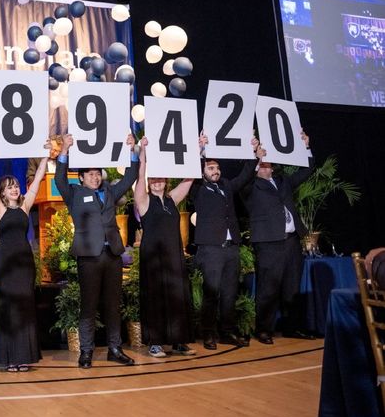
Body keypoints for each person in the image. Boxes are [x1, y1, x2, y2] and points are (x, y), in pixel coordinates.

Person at [55, 132, 138, 367]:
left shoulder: (110, 191)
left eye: (97, 172)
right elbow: (60, 180)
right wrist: (64, 151)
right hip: (89, 257)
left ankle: (114, 348)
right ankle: (86, 351)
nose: (95, 176)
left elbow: (130, 176)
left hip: (112, 254)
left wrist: (132, 150)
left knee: (113, 304)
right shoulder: (74, 193)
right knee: (89, 305)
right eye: (90, 173)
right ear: (81, 177)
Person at [0, 136, 50, 371]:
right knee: (9, 307)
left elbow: (39, 179)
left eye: (16, 185)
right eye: (9, 186)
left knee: (25, 306)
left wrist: (45, 156)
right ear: (2, 193)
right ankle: (10, 357)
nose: (14, 188)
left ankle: (24, 356)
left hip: (24, 263)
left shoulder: (24, 206)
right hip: (6, 264)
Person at [190, 134, 264, 350]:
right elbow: (190, 172)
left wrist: (253, 155)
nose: (215, 171)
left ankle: (226, 332)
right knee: (211, 293)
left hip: (231, 249)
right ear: (203, 171)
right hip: (211, 250)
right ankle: (208, 334)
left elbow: (245, 176)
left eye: (217, 167)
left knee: (230, 293)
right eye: (210, 168)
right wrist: (199, 150)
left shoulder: (227, 186)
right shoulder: (197, 189)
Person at [242, 130, 315, 344]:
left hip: (291, 241)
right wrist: (254, 155)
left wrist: (305, 146)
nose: (268, 165)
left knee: (292, 286)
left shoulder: (283, 181)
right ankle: (264, 329)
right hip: (268, 243)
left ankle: (293, 327)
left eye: (268, 162)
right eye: (263, 163)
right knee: (268, 287)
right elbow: (243, 179)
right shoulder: (249, 186)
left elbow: (308, 169)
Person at [134, 136, 196, 358]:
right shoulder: (144, 200)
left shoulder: (172, 199)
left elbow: (190, 178)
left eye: (161, 177)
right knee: (156, 298)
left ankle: (179, 341)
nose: (157, 180)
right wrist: (143, 153)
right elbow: (140, 176)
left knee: (177, 296)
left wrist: (198, 150)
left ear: (166, 179)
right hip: (153, 257)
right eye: (154, 178)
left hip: (173, 256)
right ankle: (155, 343)